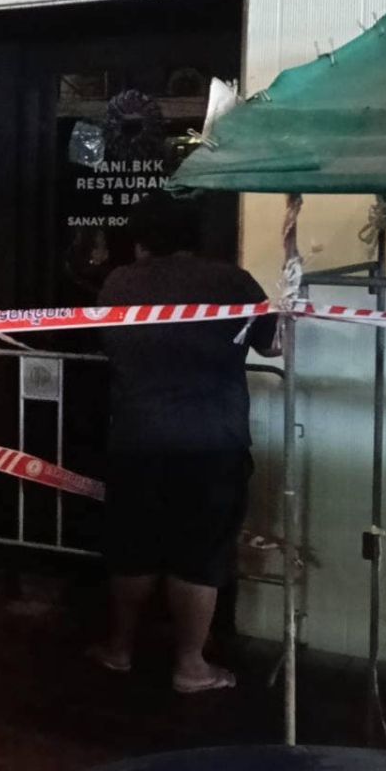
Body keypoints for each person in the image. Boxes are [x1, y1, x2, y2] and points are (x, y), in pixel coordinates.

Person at [89, 193, 279, 694]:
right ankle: (190, 666)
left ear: (140, 241)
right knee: (199, 554)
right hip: (212, 440)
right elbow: (272, 344)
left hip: (137, 438)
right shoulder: (232, 282)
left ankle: (119, 649)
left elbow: (109, 343)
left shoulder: (119, 283)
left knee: (133, 549)